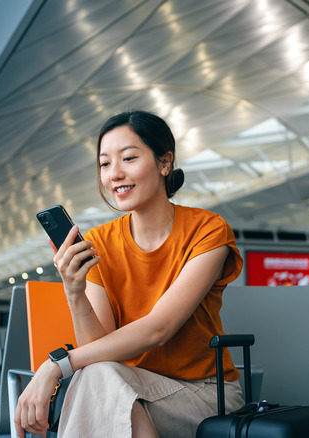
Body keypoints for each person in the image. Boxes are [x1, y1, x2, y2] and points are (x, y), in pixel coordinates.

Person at [15, 110, 245, 437]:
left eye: (128, 158)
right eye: (105, 164)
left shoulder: (207, 230)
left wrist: (56, 365)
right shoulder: (98, 244)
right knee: (98, 378)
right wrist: (74, 291)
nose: (115, 174)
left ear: (165, 163)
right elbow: (98, 350)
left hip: (204, 391)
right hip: (124, 385)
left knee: (96, 382)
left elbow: (158, 329)